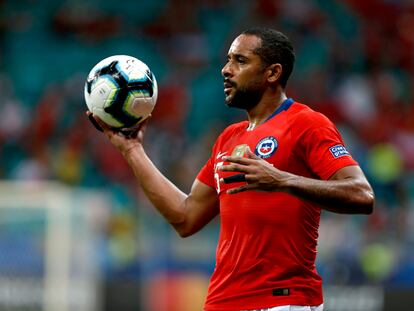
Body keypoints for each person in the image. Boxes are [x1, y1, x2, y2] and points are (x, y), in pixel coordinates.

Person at [88, 27, 374, 311]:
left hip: (281, 301)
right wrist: (132, 150)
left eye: (240, 61)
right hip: (223, 302)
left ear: (273, 73)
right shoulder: (229, 138)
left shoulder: (306, 124)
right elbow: (186, 218)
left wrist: (281, 180)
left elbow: (362, 195)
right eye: (227, 60)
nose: (226, 70)